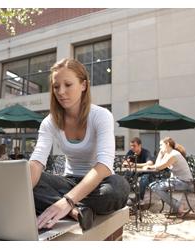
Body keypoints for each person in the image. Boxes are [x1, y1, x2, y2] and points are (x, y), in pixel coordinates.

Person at [29, 58, 130, 231]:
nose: (61, 92)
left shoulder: (101, 115)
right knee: (27, 181)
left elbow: (104, 166)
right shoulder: (49, 122)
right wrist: (21, 189)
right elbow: (36, 162)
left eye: (68, 84)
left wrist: (67, 200)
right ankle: (76, 212)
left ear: (84, 85)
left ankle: (67, 206)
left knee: (116, 190)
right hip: (69, 181)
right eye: (56, 87)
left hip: (101, 183)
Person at [146, 137, 192, 217]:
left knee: (156, 187)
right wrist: (152, 166)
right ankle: (175, 206)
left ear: (167, 144)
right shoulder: (168, 154)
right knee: (152, 185)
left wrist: (160, 154)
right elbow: (158, 166)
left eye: (161, 145)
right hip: (178, 180)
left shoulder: (173, 155)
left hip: (184, 182)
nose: (160, 147)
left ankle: (178, 206)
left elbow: (159, 167)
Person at [122, 137, 154, 207]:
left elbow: (150, 163)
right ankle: (123, 198)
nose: (132, 148)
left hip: (146, 174)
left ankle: (139, 199)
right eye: (131, 146)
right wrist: (127, 163)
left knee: (143, 180)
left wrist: (135, 165)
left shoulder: (146, 152)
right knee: (125, 178)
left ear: (140, 145)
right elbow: (125, 163)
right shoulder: (130, 152)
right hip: (134, 173)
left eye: (134, 146)